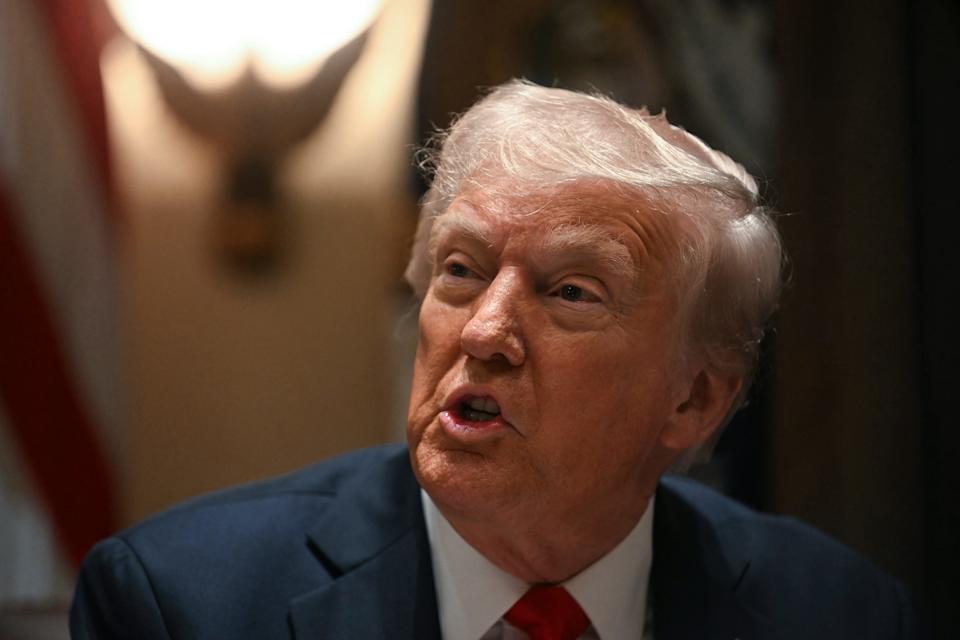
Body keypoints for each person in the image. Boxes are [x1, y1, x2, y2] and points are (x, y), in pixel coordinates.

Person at [71, 81, 920, 639]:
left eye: (571, 293)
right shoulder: (178, 604)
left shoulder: (841, 614)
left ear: (694, 400)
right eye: (461, 271)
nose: (483, 332)